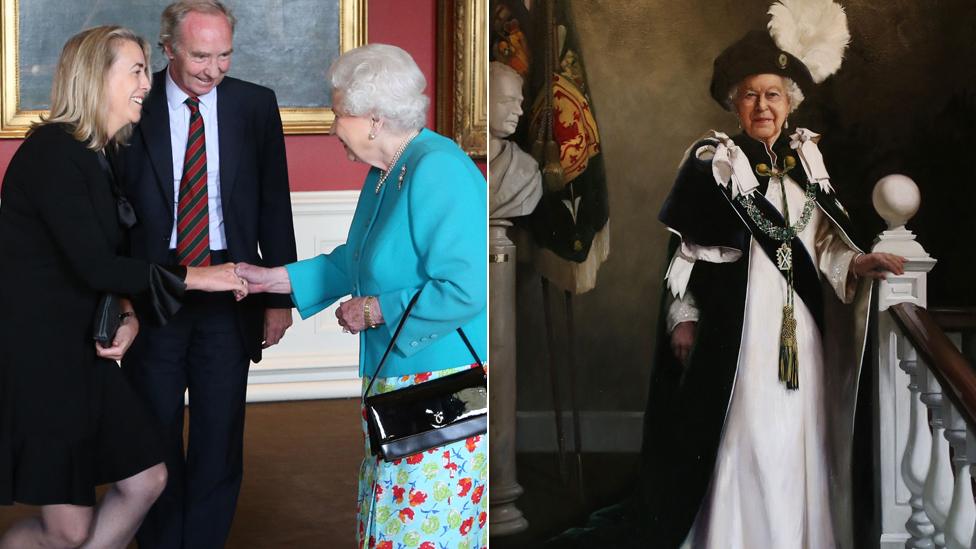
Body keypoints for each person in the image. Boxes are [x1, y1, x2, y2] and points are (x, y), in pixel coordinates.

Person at [550, 1, 906, 548]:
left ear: (790, 102)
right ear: (734, 103)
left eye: (773, 94)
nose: (762, 105)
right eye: (750, 94)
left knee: (796, 435)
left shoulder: (808, 163)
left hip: (798, 332)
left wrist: (858, 262)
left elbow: (824, 245)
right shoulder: (713, 163)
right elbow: (683, 261)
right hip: (734, 333)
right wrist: (683, 321)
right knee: (749, 433)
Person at [0, 26, 247, 549]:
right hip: (41, 361)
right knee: (65, 530)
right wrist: (200, 277)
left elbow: (109, 263)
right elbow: (94, 265)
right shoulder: (51, 153)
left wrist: (130, 313)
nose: (147, 83)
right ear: (96, 77)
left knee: (146, 479)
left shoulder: (98, 154)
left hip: (81, 355)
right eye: (134, 71)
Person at [235, 43, 488, 549]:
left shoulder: (438, 168)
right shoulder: (388, 172)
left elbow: (467, 286)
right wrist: (272, 279)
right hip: (396, 379)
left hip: (440, 383)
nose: (333, 128)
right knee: (393, 519)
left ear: (374, 119)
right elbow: (353, 261)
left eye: (338, 114)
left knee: (419, 527)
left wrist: (373, 309)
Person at [116, 1, 298, 547]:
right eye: (200, 55)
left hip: (232, 289)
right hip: (156, 287)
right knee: (155, 433)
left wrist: (278, 297)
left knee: (220, 436)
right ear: (167, 47)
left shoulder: (253, 105)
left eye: (223, 55)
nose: (212, 69)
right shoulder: (133, 103)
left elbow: (274, 203)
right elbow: (113, 209)